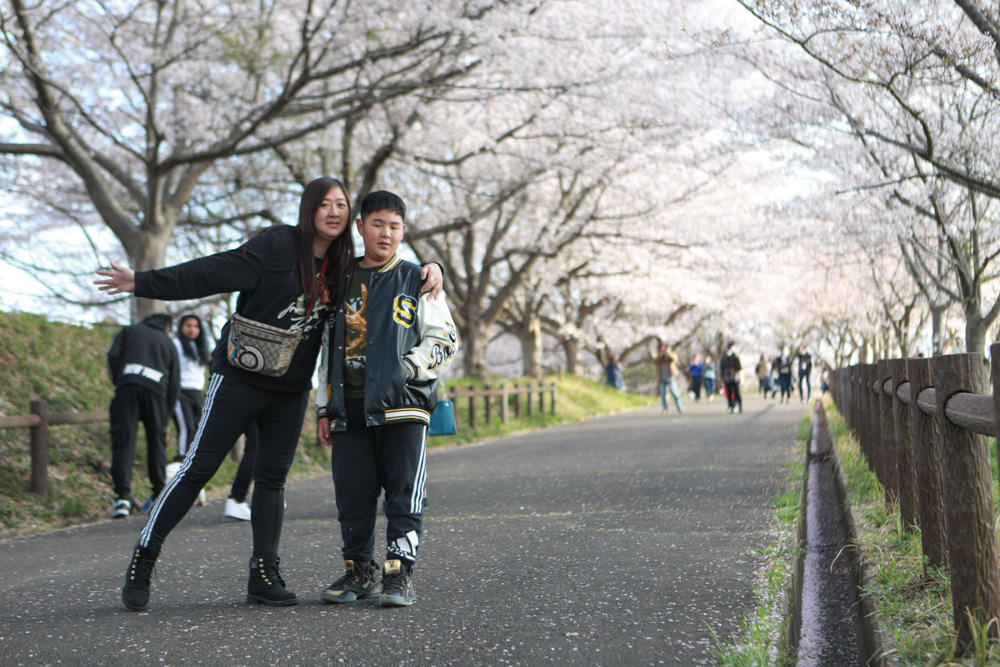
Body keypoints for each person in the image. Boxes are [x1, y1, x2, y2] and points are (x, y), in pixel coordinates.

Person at [95, 176, 444, 612]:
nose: (333, 212)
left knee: (272, 480)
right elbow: (209, 271)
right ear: (310, 210)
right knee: (199, 467)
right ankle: (144, 558)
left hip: (290, 390)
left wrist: (432, 265)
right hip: (240, 377)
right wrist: (142, 282)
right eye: (325, 205)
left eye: (341, 204)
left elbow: (390, 268)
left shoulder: (341, 266)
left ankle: (264, 573)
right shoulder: (277, 245)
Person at [316, 190, 459, 608]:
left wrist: (408, 369)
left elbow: (445, 340)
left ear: (403, 232)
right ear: (359, 226)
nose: (386, 233)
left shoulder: (418, 278)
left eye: (395, 227)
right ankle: (358, 570)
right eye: (377, 224)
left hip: (403, 405)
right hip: (348, 406)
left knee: (404, 492)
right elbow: (328, 349)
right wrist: (325, 407)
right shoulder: (339, 280)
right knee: (352, 494)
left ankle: (400, 573)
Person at [106, 313, 180, 518]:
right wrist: (165, 418)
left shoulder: (129, 331)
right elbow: (174, 384)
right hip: (156, 392)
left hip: (127, 388)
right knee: (156, 443)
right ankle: (158, 493)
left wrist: (121, 381)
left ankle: (122, 498)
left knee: (123, 442)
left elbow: (112, 356)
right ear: (167, 326)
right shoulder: (168, 342)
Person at [169, 313, 211, 508]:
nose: (192, 329)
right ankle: (182, 456)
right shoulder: (176, 344)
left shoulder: (201, 348)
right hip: (181, 390)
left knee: (198, 427)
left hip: (196, 391)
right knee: (185, 425)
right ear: (181, 327)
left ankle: (193, 457)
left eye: (195, 326)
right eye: (188, 325)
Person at [656, 343, 683, 413]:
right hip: (662, 377)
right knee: (663, 394)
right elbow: (656, 361)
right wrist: (661, 353)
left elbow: (674, 359)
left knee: (675, 392)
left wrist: (668, 353)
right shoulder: (660, 356)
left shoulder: (672, 354)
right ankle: (665, 409)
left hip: (671, 377)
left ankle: (679, 407)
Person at [719, 342, 742, 414]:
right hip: (727, 377)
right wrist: (722, 376)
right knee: (728, 392)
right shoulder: (724, 358)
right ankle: (730, 405)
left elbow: (739, 367)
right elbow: (721, 367)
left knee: (736, 392)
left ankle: (738, 405)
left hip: (734, 376)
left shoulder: (735, 357)